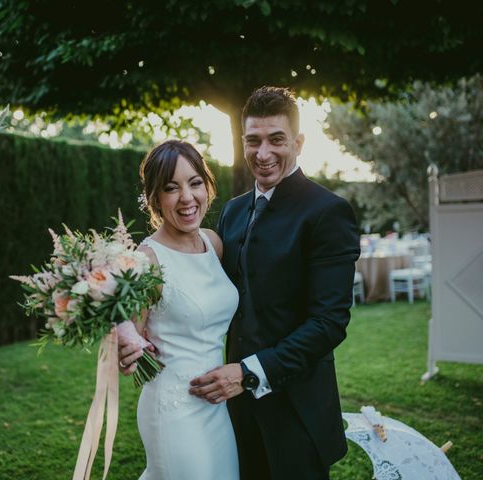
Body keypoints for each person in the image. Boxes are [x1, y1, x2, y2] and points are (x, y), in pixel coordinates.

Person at [187, 86, 360, 479]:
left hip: (296, 411)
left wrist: (248, 372)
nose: (263, 154)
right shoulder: (231, 212)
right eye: (253, 141)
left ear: (298, 142)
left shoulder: (328, 212)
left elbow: (328, 323)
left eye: (276, 140)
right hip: (234, 411)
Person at [122, 140, 240, 480]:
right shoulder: (148, 260)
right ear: (155, 198)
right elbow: (128, 335)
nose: (187, 197)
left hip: (217, 406)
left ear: (208, 185)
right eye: (171, 188)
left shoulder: (212, 243)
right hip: (174, 409)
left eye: (195, 182)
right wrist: (127, 347)